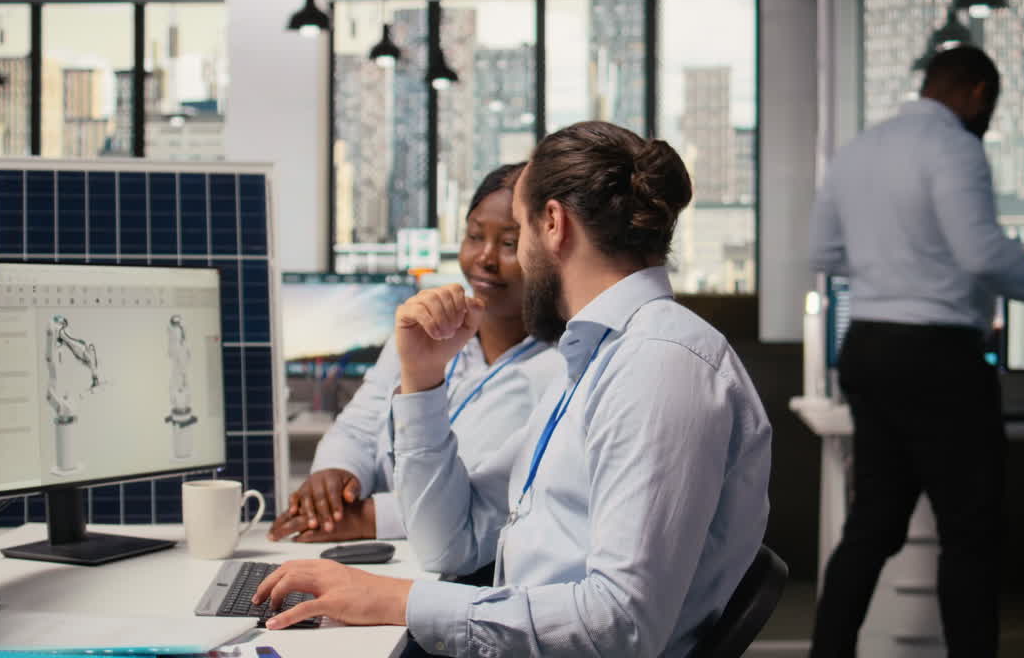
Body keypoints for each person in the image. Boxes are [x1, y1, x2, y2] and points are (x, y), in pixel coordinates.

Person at [252, 121, 773, 658]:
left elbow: (621, 626)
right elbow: (448, 543)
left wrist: (400, 601)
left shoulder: (659, 367)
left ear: (552, 224)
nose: (511, 256)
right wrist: (424, 382)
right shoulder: (593, 360)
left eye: (517, 232)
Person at [807, 46, 1024, 658]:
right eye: (988, 104)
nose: (987, 116)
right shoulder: (955, 148)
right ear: (975, 92)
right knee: (970, 535)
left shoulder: (856, 151)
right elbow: (983, 255)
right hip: (939, 360)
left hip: (870, 349)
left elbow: (826, 256)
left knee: (872, 526)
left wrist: (893, 264)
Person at [269, 163, 563, 550]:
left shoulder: (559, 368)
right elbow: (359, 424)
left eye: (509, 244)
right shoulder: (426, 331)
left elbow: (492, 496)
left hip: (459, 568)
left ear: (545, 251)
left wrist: (370, 518)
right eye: (474, 236)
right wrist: (336, 475)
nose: (484, 258)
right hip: (389, 557)